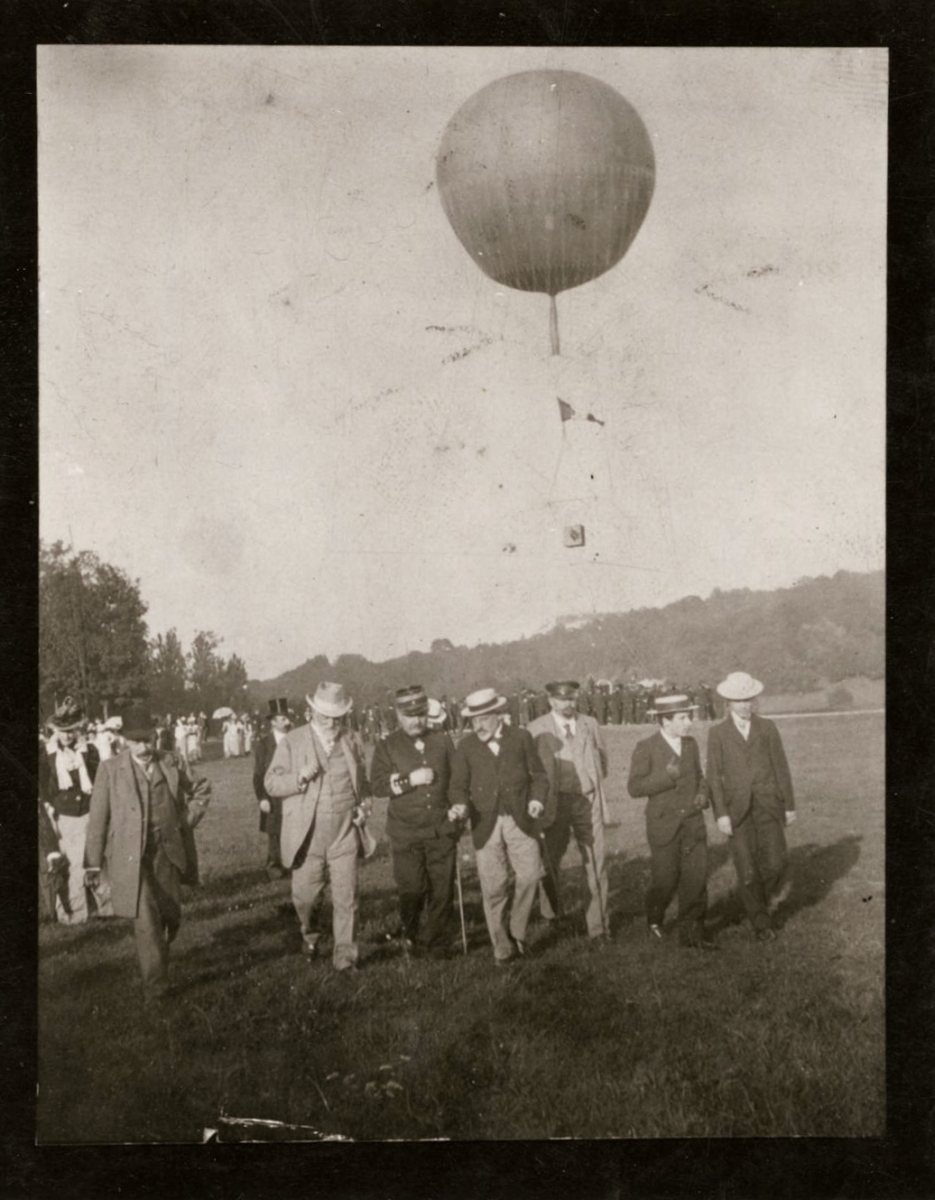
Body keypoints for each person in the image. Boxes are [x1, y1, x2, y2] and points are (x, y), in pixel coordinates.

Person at [84, 707, 211, 999]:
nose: (143, 747)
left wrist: (186, 820)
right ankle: (157, 987)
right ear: (124, 741)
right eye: (136, 741)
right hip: (130, 857)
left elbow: (202, 788)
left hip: (167, 851)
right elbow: (97, 818)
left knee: (170, 915)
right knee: (145, 919)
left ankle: (157, 962)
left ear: (154, 737)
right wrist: (93, 864)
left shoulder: (171, 761)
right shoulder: (109, 769)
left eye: (147, 739)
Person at [264, 682, 372, 971]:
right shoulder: (292, 741)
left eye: (337, 716)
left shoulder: (352, 739)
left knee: (346, 898)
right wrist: (298, 778)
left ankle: (345, 958)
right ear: (311, 712)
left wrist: (364, 809)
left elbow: (364, 784)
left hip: (344, 833)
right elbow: (271, 783)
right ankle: (310, 933)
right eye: (325, 715)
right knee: (305, 899)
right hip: (307, 836)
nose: (331, 722)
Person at [448, 687, 549, 965]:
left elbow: (538, 776)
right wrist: (460, 806)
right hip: (485, 823)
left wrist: (537, 800)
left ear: (498, 715)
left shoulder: (521, 738)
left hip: (520, 820)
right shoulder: (466, 746)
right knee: (495, 886)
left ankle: (517, 930)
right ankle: (501, 944)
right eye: (473, 720)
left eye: (484, 718)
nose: (478, 725)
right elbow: (458, 786)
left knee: (529, 876)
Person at [705, 672, 796, 942]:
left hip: (768, 806)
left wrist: (789, 806)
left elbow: (781, 767)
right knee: (747, 870)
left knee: (777, 864)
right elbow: (713, 776)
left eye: (748, 699)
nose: (745, 705)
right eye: (738, 700)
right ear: (728, 703)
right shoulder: (717, 733)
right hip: (737, 811)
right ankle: (760, 922)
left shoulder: (767, 728)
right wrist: (721, 813)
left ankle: (751, 902)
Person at [370, 685, 459, 959]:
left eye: (421, 714)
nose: (416, 720)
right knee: (412, 889)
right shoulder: (387, 746)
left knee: (442, 890)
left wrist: (458, 805)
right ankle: (411, 934)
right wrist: (411, 780)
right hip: (405, 832)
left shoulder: (442, 741)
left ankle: (438, 943)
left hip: (441, 828)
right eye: (410, 715)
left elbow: (456, 780)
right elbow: (378, 786)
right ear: (398, 714)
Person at [627, 694, 715, 949]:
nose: (689, 722)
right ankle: (655, 917)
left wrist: (703, 794)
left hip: (692, 823)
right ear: (665, 721)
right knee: (665, 880)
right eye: (683, 718)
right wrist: (666, 777)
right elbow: (634, 787)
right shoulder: (646, 746)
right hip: (663, 826)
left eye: (688, 716)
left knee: (696, 879)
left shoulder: (691, 744)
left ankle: (693, 934)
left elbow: (700, 776)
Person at [526, 680, 611, 941]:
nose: (568, 705)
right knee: (551, 862)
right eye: (562, 700)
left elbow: (602, 760)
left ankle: (598, 927)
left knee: (596, 860)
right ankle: (553, 917)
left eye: (572, 699)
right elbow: (531, 771)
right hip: (553, 804)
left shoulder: (590, 724)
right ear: (550, 700)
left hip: (587, 801)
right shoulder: (536, 728)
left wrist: (589, 785)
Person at [38, 697, 101, 925]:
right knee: (71, 865)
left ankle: (101, 908)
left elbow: (97, 780)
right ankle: (73, 912)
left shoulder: (88, 751)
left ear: (77, 730)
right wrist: (48, 807)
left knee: (93, 859)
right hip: (63, 816)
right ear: (55, 730)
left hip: (87, 811)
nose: (67, 736)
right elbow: (42, 787)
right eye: (63, 731)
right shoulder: (48, 755)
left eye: (71, 731)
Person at [253, 697, 292, 880]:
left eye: (287, 717)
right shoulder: (263, 744)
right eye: (283, 719)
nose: (287, 721)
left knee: (295, 827)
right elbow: (258, 774)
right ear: (273, 721)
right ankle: (275, 865)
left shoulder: (295, 739)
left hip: (293, 791)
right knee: (274, 830)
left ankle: (294, 863)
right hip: (272, 795)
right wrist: (262, 798)